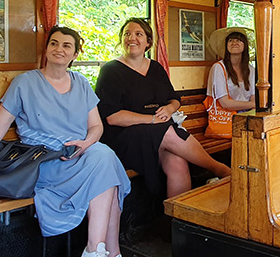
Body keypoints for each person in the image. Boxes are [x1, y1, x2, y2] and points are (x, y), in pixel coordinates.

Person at [0, 26, 130, 257]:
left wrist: (86, 144)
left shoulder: (81, 83)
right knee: (106, 163)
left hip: (80, 157)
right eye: (54, 43)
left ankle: (103, 251)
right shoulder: (24, 83)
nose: (59, 49)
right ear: (46, 49)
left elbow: (96, 127)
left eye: (66, 45)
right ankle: (101, 250)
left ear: (75, 54)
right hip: (44, 162)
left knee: (104, 161)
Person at [95, 18, 230, 198]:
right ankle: (219, 169)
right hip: (124, 137)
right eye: (127, 34)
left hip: (159, 133)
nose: (131, 38)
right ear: (121, 40)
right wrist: (152, 119)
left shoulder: (156, 68)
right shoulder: (110, 71)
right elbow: (112, 117)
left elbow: (174, 99)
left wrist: (169, 109)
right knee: (167, 131)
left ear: (148, 42)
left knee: (177, 162)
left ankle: (177, 214)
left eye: (138, 34)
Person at [206, 27, 255, 111]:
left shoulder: (251, 69)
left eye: (238, 40)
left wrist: (252, 107)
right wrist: (253, 104)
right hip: (228, 116)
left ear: (245, 45)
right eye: (230, 40)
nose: (234, 43)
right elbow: (225, 103)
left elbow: (253, 96)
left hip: (247, 114)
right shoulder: (219, 68)